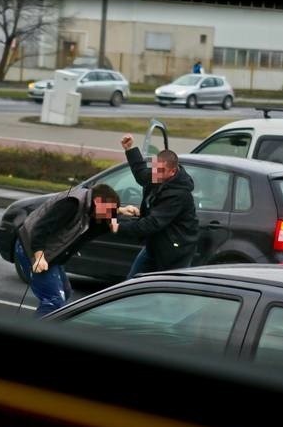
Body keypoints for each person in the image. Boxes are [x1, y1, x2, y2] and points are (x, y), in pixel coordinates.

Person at [15, 183, 127, 316]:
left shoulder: (90, 207)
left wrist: (118, 212)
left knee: (65, 294)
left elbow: (97, 227)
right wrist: (39, 257)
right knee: (54, 302)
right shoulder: (71, 204)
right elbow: (40, 229)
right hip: (31, 250)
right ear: (97, 202)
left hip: (51, 255)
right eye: (108, 211)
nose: (109, 216)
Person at [114, 134, 198, 278]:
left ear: (172, 171)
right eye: (154, 169)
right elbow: (141, 175)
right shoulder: (158, 174)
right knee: (132, 284)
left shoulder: (178, 194)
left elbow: (152, 223)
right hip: (155, 245)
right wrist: (130, 149)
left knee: (167, 293)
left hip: (175, 252)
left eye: (160, 171)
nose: (155, 174)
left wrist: (118, 226)